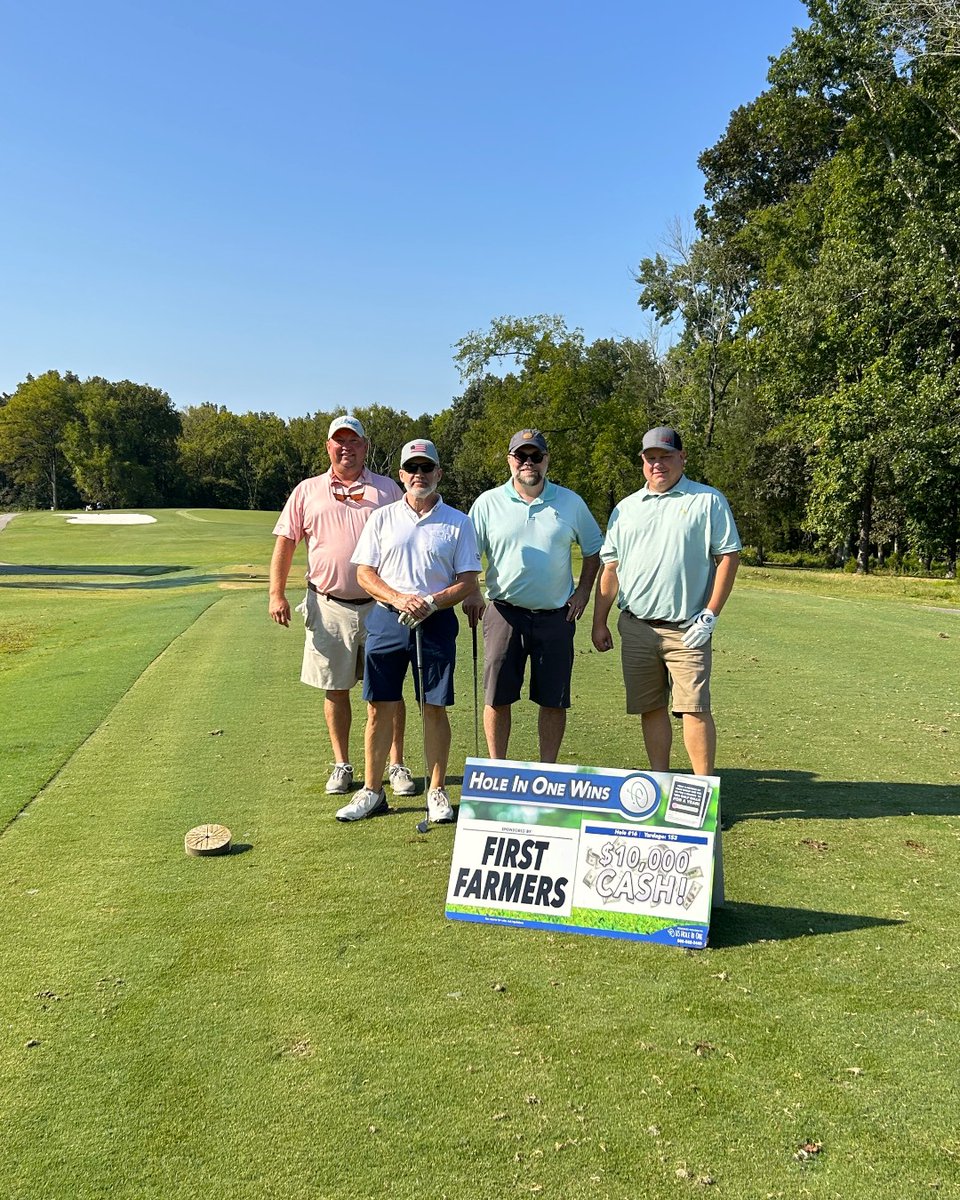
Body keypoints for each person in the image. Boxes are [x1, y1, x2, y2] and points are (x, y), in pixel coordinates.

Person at [268, 415, 416, 800]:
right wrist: (276, 593)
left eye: (354, 441)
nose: (346, 447)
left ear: (366, 447)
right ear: (328, 447)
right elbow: (286, 542)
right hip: (327, 603)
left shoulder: (387, 490)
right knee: (335, 688)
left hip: (383, 605)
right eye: (339, 441)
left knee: (388, 691)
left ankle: (395, 763)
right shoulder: (307, 491)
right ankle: (342, 763)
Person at [338, 438, 481, 823]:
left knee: (433, 707)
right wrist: (400, 598)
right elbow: (365, 573)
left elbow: (468, 580)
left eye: (427, 467)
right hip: (388, 618)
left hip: (436, 621)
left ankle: (436, 790)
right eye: (412, 469)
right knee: (378, 707)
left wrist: (431, 602)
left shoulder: (458, 521)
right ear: (401, 475)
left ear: (439, 473)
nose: (420, 475)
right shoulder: (382, 518)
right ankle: (372, 791)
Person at [591, 426, 741, 778]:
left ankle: (703, 793)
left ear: (682, 458)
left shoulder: (707, 501)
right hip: (637, 626)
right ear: (643, 461)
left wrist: (710, 614)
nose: (658, 464)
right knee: (651, 707)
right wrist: (599, 621)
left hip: (688, 628)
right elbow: (610, 568)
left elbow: (728, 557)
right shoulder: (626, 509)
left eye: (665, 457)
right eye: (651, 458)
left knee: (694, 709)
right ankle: (660, 783)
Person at [464, 429, 602, 762]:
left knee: (553, 700)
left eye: (535, 456)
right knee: (497, 698)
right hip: (503, 612)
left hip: (556, 616)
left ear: (546, 459)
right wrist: (471, 590)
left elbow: (594, 549)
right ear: (510, 460)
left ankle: (548, 770)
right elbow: (467, 555)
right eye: (521, 456)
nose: (529, 463)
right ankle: (498, 770)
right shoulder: (487, 503)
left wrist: (583, 591)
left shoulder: (570, 502)